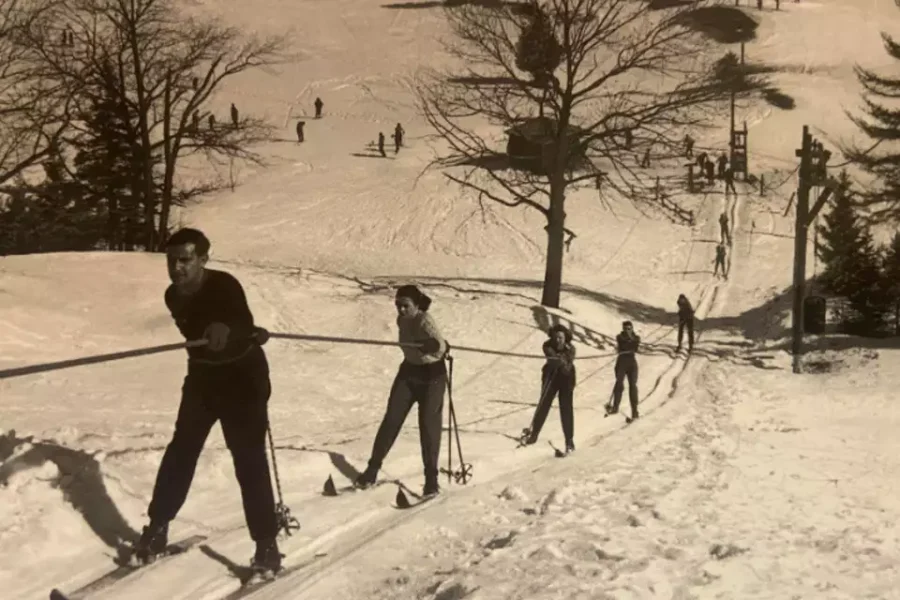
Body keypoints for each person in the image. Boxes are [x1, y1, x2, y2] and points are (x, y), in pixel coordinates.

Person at [133, 228, 282, 576]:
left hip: (242, 378)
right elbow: (196, 334)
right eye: (171, 260)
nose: (177, 268)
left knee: (247, 458)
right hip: (203, 377)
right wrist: (211, 336)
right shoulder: (172, 296)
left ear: (203, 259)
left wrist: (226, 327)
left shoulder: (224, 284)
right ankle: (157, 527)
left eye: (185, 260)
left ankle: (266, 545)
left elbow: (235, 314)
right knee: (181, 450)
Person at [355, 285, 449, 497]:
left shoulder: (425, 320)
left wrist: (430, 345)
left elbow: (440, 346)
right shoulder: (401, 320)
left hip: (432, 376)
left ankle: (431, 480)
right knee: (391, 419)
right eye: (398, 305)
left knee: (428, 425)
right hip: (408, 372)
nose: (401, 310)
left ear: (416, 305)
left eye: (406, 306)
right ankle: (372, 470)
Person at [521, 325, 577, 454]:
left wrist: (563, 360)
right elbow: (554, 360)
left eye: (561, 338)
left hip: (566, 380)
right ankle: (534, 434)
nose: (558, 340)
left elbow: (567, 367)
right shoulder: (547, 346)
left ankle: (569, 440)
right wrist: (562, 359)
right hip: (551, 377)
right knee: (544, 404)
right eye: (556, 337)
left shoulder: (571, 348)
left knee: (566, 408)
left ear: (565, 338)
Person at [608, 321, 640, 421]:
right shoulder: (620, 337)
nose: (627, 331)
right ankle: (615, 407)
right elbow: (623, 345)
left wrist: (631, 340)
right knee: (619, 383)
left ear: (632, 328)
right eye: (625, 329)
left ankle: (634, 411)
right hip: (621, 362)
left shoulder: (636, 338)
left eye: (629, 328)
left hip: (632, 363)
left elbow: (635, 346)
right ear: (623, 329)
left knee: (633, 386)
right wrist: (629, 340)